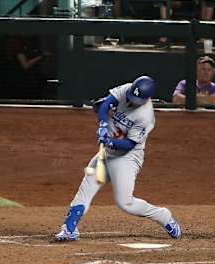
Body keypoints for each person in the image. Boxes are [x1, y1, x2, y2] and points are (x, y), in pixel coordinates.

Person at [54, 76, 181, 242]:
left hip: (127, 158)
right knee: (88, 184)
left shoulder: (145, 116)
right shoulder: (128, 89)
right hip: (107, 152)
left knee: (125, 203)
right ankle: (69, 228)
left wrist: (108, 141)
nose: (131, 100)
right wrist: (103, 125)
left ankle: (162, 216)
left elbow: (128, 144)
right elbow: (105, 104)